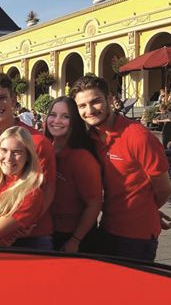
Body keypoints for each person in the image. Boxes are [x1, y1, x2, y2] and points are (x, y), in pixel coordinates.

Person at [70, 75, 171, 261]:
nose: (90, 110)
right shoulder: (92, 136)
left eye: (95, 101)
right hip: (107, 228)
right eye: (82, 106)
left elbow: (164, 189)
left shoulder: (137, 136)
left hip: (136, 237)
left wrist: (145, 208)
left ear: (110, 99)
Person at [0, 71, 56, 249]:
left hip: (31, 235)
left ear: (14, 100)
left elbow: (49, 188)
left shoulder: (37, 142)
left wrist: (30, 222)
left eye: (2, 98)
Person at [44, 96, 102, 253]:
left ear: (75, 122)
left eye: (65, 116)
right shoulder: (45, 149)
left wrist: (75, 240)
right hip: (48, 230)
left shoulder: (82, 158)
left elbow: (94, 203)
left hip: (72, 235)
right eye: (53, 114)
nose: (56, 120)